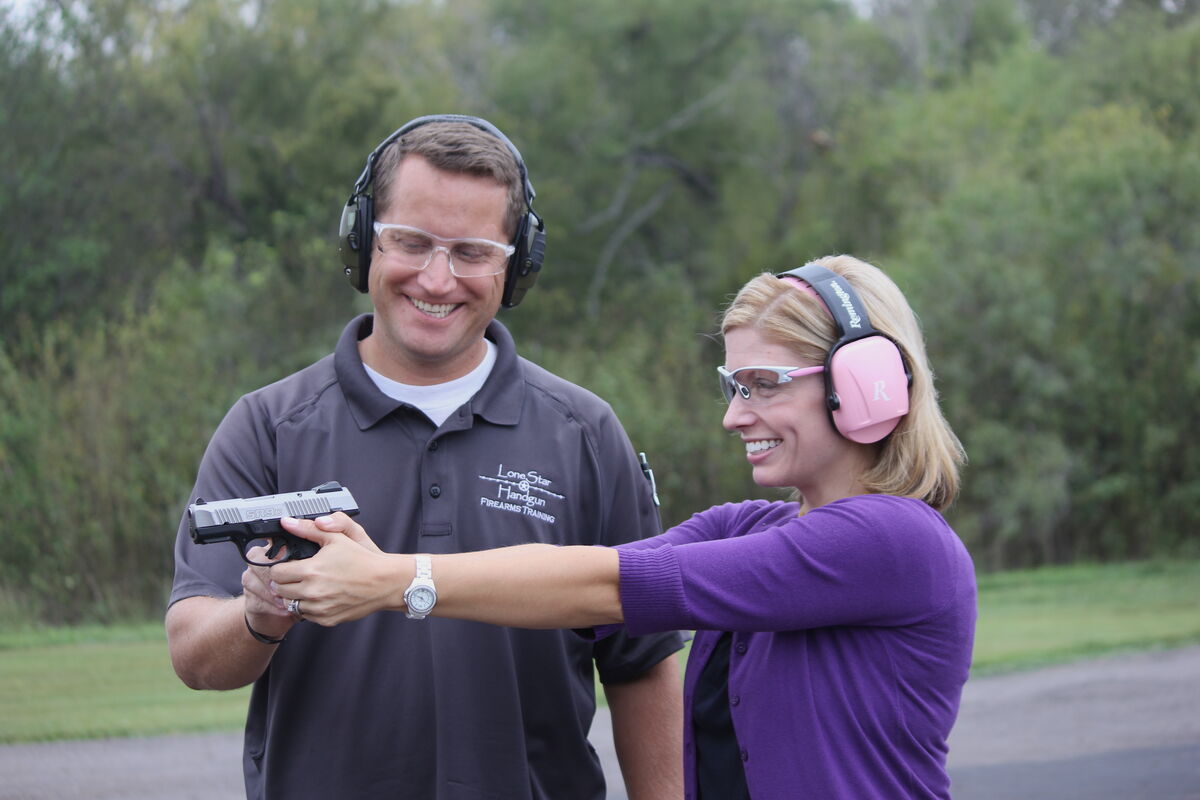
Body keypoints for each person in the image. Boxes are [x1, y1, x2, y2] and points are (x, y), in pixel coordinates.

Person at [271, 254, 977, 800]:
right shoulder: (748, 526)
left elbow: (615, 585)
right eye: (733, 387)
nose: (735, 415)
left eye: (763, 383)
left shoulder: (893, 541)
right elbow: (590, 582)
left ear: (867, 384)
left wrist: (391, 580)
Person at [165, 114, 685, 800]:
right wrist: (259, 612)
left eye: (471, 251)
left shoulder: (584, 433)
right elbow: (194, 653)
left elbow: (641, 663)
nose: (438, 280)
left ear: (516, 262)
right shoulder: (267, 426)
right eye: (411, 242)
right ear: (363, 242)